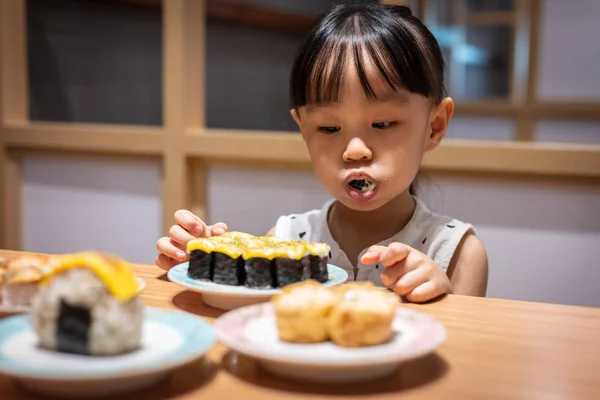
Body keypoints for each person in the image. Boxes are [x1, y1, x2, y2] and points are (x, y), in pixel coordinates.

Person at [156, 2, 488, 302]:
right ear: (303, 128)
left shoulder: (458, 253)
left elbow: (469, 361)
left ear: (435, 126)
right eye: (329, 129)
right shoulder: (284, 241)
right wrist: (207, 267)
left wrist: (443, 298)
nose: (355, 151)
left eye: (384, 123)